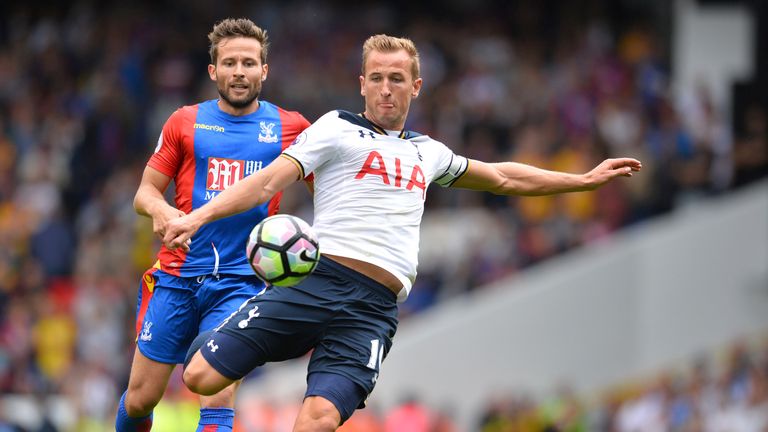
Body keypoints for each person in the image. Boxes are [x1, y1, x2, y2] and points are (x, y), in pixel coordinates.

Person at [163, 34, 642, 431]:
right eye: (376, 79)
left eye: (396, 79)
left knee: (319, 421)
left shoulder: (428, 152)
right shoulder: (336, 129)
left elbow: (502, 177)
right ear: (362, 85)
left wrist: (582, 179)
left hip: (372, 309)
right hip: (315, 281)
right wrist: (196, 217)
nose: (386, 89)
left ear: (416, 86)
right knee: (201, 376)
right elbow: (267, 182)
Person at [115, 18, 310, 432]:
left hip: (242, 282)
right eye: (230, 62)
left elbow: (326, 188)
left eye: (249, 63)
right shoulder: (184, 122)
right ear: (213, 71)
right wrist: (163, 212)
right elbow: (144, 193)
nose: (239, 71)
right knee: (139, 400)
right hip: (177, 277)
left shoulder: (292, 128)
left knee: (217, 395)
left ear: (264, 71)